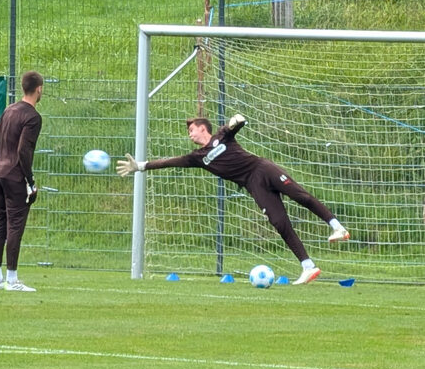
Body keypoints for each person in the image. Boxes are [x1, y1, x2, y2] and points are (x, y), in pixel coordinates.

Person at [116, 114, 350, 285]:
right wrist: (141, 166)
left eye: (191, 129)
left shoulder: (221, 136)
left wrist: (236, 121)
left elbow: (237, 123)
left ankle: (337, 227)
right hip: (252, 185)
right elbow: (169, 162)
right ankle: (308, 267)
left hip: (262, 169)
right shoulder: (197, 157)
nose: (189, 134)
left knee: (301, 196)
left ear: (202, 129)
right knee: (279, 223)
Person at [0, 70, 44, 292]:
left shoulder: (8, 110)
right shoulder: (32, 117)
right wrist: (30, 181)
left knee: (0, 224)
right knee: (15, 226)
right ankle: (12, 280)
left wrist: (2, 161)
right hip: (14, 175)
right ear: (39, 89)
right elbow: (24, 150)